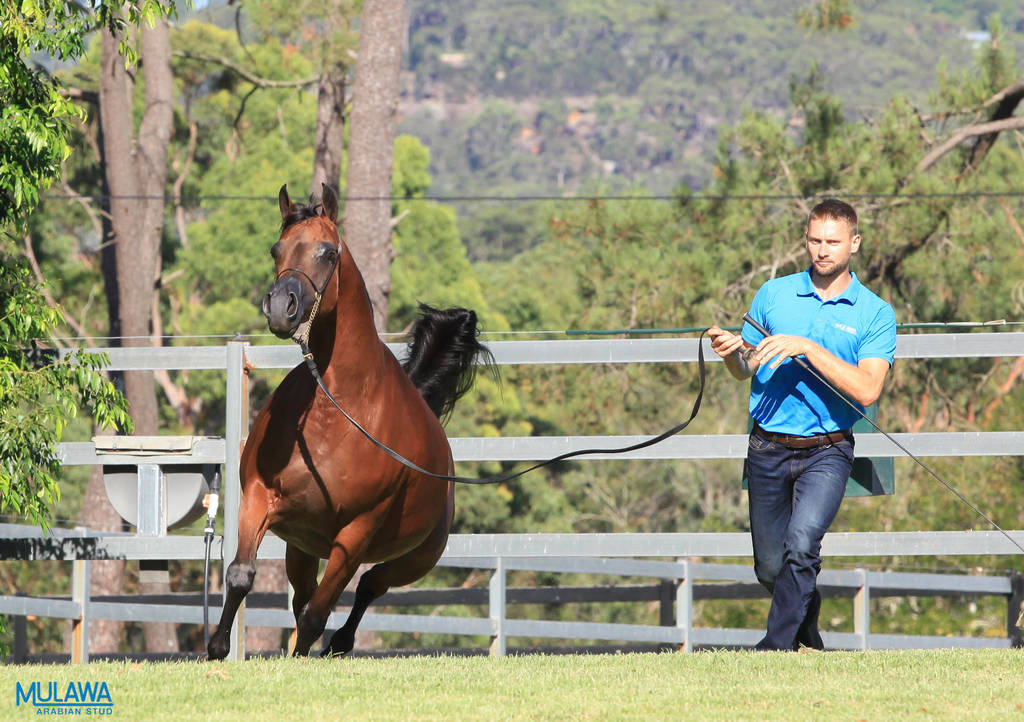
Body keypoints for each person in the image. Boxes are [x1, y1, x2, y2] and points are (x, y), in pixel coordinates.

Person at [707, 198, 896, 651]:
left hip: (828, 451)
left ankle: (774, 648)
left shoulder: (874, 312)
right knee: (771, 568)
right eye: (815, 240)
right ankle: (806, 623)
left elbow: (868, 389)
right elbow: (746, 368)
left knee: (802, 543)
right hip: (767, 447)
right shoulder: (773, 294)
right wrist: (732, 353)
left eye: (833, 241)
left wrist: (807, 348)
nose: (822, 250)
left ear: (854, 243)